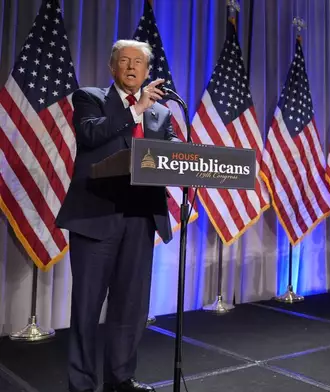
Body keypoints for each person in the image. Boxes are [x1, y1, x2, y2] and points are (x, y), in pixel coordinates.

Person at [56, 40, 178, 392]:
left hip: (140, 220)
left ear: (146, 70)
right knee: (86, 308)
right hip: (96, 218)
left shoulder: (163, 114)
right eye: (123, 61)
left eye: (137, 62)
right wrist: (135, 110)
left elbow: (169, 158)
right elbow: (91, 135)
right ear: (112, 68)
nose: (130, 67)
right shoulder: (89, 98)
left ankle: (120, 378)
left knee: (130, 308)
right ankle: (81, 384)